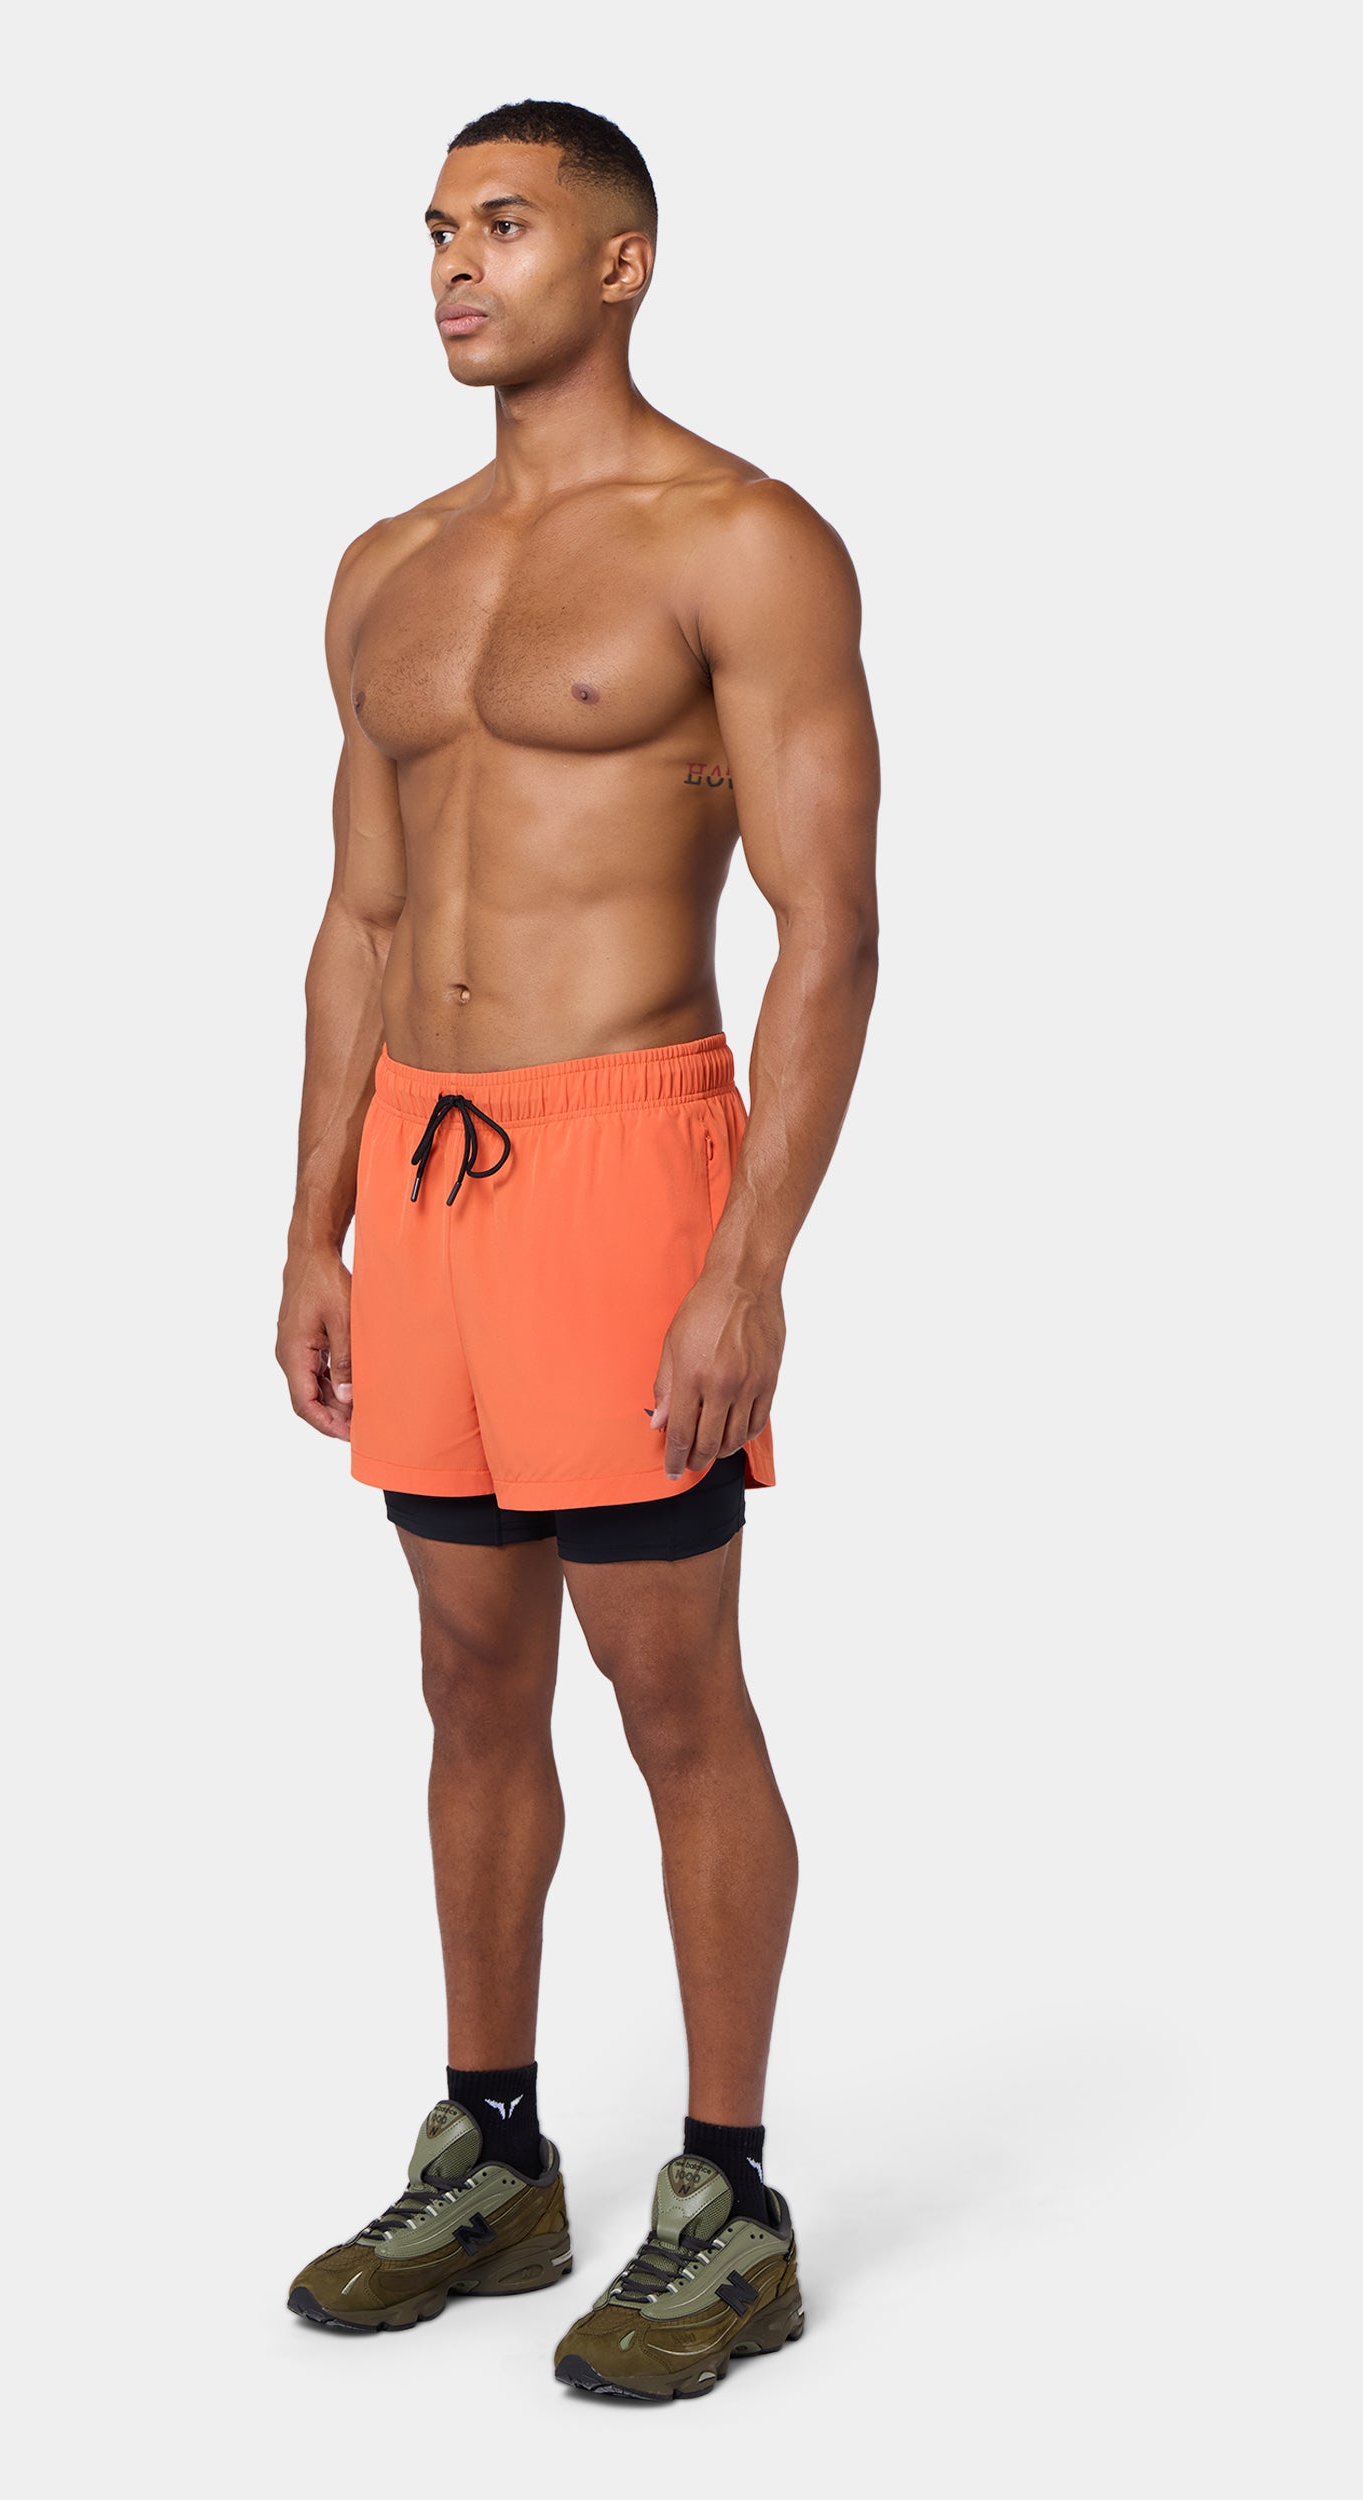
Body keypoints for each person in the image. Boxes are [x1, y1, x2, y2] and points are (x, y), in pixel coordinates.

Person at [273, 97, 879, 2402]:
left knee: (668, 1684)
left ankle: (727, 2189)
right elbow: (357, 915)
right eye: (437, 229)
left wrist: (745, 1257)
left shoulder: (741, 542)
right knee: (462, 1671)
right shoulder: (387, 566)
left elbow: (829, 928)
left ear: (617, 264)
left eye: (504, 226)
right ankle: (496, 2147)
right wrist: (311, 1222)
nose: (454, 265)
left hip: (624, 1152)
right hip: (422, 1169)